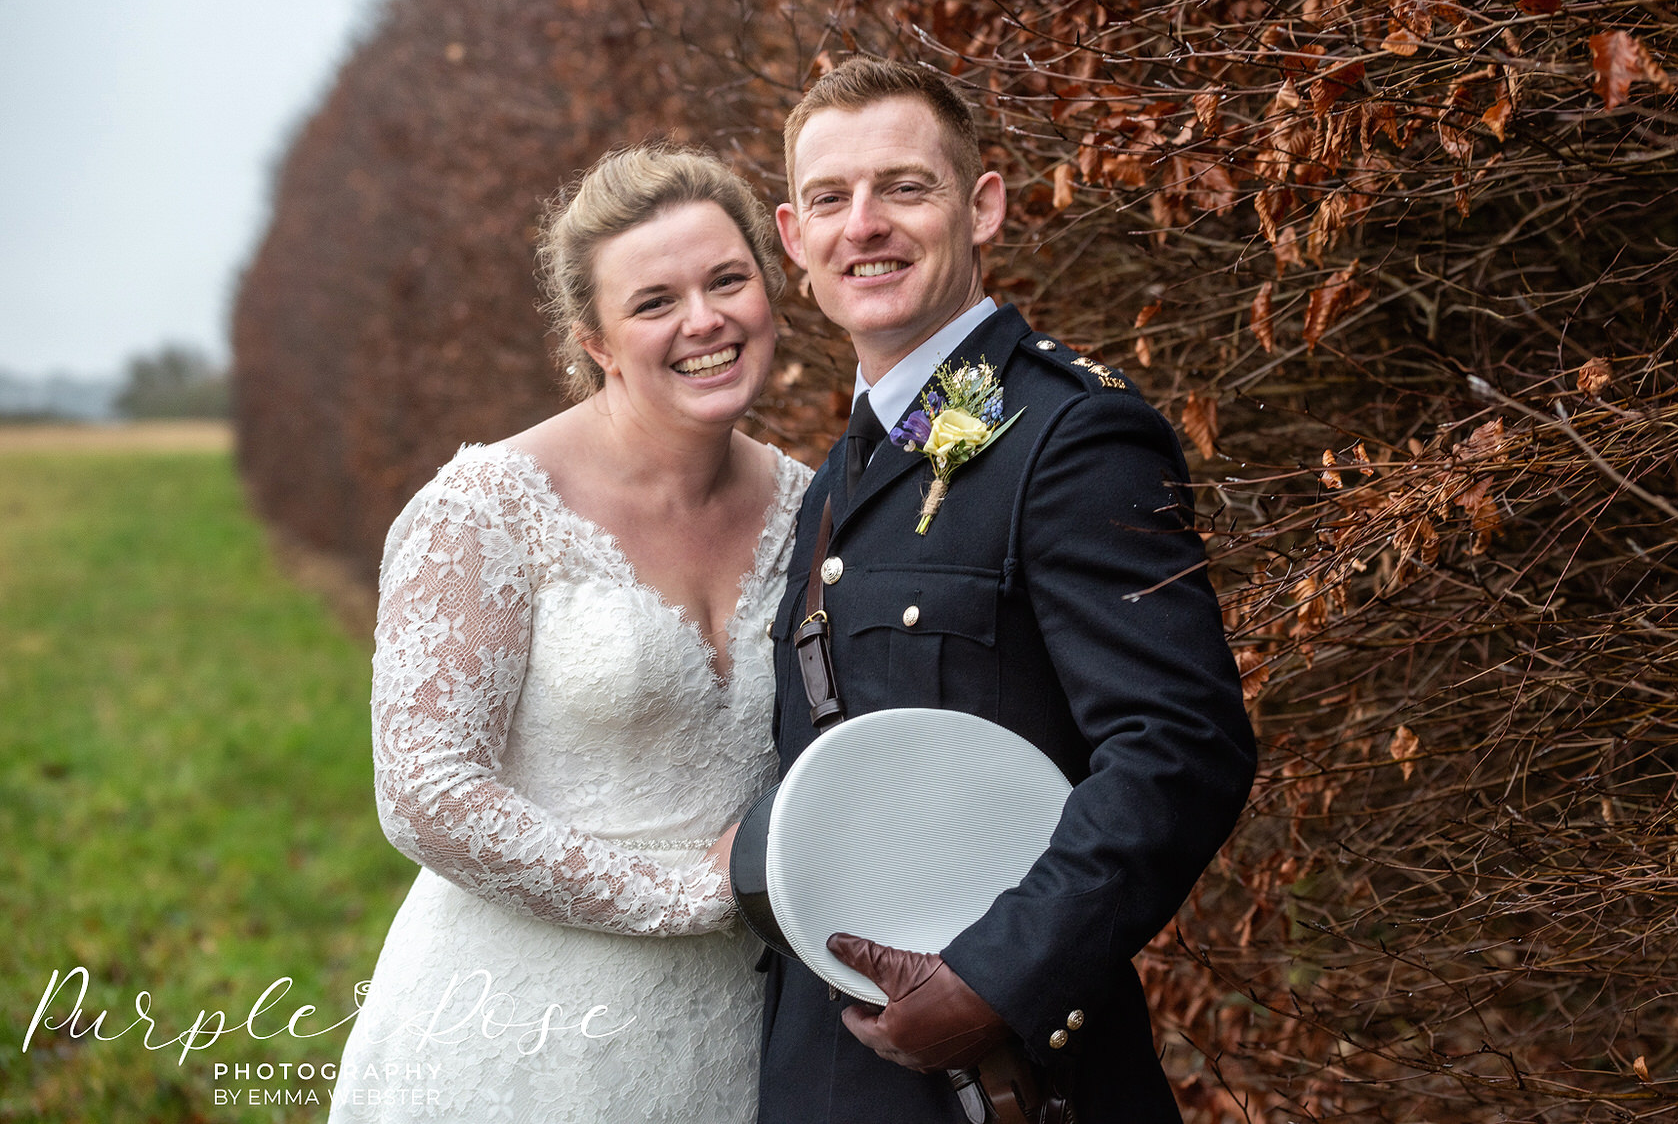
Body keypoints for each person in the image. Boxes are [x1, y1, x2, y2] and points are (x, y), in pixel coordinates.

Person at [758, 58, 1258, 1123]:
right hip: (832, 1071)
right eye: (830, 199)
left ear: (979, 206)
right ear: (795, 241)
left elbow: (1179, 744)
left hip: (1017, 1081)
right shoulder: (836, 481)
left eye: (904, 186)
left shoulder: (1074, 435)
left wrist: (996, 977)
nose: (866, 226)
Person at [329, 147, 811, 1122]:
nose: (703, 321)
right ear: (593, 340)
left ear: (768, 289)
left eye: (727, 280)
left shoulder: (816, 508)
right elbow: (425, 793)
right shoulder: (486, 510)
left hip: (745, 1031)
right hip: (522, 1033)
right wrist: (685, 897)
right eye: (653, 302)